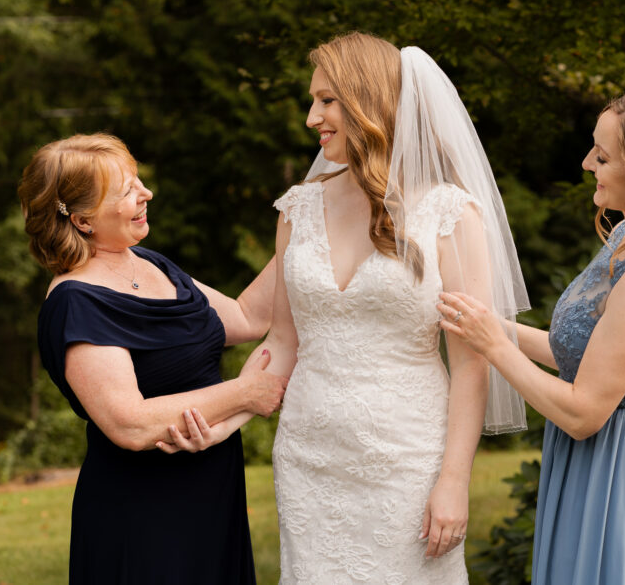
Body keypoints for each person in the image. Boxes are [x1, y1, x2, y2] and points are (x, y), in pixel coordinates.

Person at [172, 32, 530, 582]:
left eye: (327, 100)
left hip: (408, 456)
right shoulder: (298, 208)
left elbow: (470, 362)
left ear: (371, 101)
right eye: (313, 101)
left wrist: (454, 480)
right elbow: (283, 344)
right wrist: (226, 422)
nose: (312, 117)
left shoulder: (448, 212)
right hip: (309, 456)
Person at [437, 86, 625, 584]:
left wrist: (492, 346)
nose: (585, 163)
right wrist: (477, 320)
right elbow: (575, 351)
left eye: (601, 155)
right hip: (605, 459)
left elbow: (582, 413)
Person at [18, 133, 287, 584]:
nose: (146, 193)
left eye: (138, 180)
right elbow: (129, 423)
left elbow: (246, 317)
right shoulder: (76, 303)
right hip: (142, 514)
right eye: (126, 190)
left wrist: (310, 227)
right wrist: (244, 393)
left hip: (211, 493)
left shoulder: (150, 263)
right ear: (83, 220)